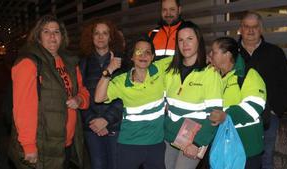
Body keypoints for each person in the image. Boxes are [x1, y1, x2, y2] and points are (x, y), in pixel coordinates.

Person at [9, 14, 90, 169]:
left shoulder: (70, 62)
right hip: (42, 146)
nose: (52, 36)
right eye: (46, 31)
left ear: (62, 36)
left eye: (56, 31)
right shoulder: (29, 63)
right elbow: (23, 108)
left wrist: (79, 100)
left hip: (67, 143)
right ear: (38, 36)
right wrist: (28, 146)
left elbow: (83, 91)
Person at [95, 35, 171, 169]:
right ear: (132, 57)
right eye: (138, 52)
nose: (143, 55)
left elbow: (186, 59)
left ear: (153, 57)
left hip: (156, 145)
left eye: (148, 52)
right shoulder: (122, 81)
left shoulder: (160, 68)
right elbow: (98, 98)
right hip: (129, 145)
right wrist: (109, 70)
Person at [163, 21, 224, 169]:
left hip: (193, 140)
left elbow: (214, 116)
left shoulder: (210, 74)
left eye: (190, 39)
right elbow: (164, 106)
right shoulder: (171, 71)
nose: (185, 44)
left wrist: (197, 142)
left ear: (198, 41)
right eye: (181, 40)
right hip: (169, 137)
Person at [238, 12, 287, 169]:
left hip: (268, 118)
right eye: (246, 27)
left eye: (254, 27)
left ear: (261, 29)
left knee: (266, 158)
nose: (250, 31)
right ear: (240, 29)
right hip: (239, 117)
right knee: (239, 157)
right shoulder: (231, 53)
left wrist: (277, 109)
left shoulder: (274, 52)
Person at [209, 37, 266, 169]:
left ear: (227, 54)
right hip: (221, 146)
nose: (210, 55)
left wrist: (226, 115)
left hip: (246, 148)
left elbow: (254, 107)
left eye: (214, 52)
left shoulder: (248, 75)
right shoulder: (213, 76)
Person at [79, 19, 124, 169]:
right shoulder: (83, 63)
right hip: (91, 127)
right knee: (98, 165)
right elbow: (80, 95)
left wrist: (106, 120)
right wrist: (93, 120)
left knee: (116, 165)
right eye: (96, 33)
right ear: (91, 37)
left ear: (111, 37)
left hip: (115, 126)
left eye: (105, 33)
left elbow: (124, 96)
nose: (100, 37)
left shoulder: (121, 63)